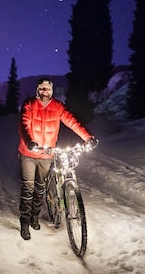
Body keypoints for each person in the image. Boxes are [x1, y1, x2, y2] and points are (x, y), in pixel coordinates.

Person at [17, 77, 98, 240]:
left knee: (40, 187)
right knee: (28, 187)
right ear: (37, 90)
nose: (44, 91)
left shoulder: (58, 107)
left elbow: (72, 122)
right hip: (29, 154)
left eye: (47, 88)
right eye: (41, 88)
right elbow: (23, 124)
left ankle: (34, 216)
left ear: (52, 90)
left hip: (47, 154)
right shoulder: (29, 105)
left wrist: (88, 137)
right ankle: (24, 223)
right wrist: (29, 142)